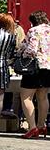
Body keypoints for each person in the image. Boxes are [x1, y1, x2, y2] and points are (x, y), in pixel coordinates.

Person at [20, 10, 50, 138]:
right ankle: (41, 125)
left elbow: (31, 49)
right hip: (48, 67)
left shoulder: (34, 31)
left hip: (35, 67)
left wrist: (23, 54)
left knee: (26, 97)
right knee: (43, 97)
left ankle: (32, 127)